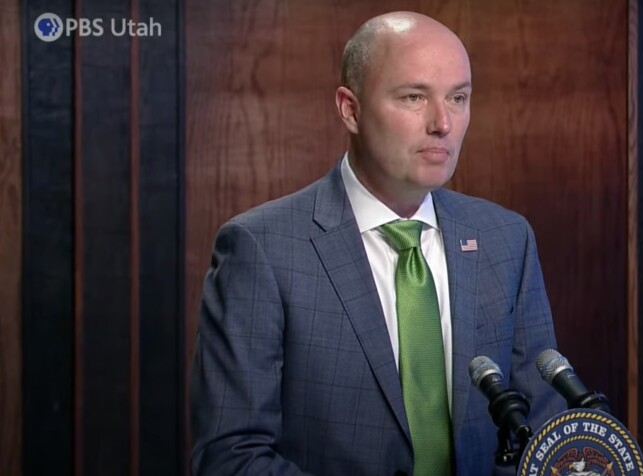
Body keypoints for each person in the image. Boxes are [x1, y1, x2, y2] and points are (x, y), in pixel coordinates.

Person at [190, 11, 565, 475]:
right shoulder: (261, 248)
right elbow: (230, 457)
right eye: (414, 97)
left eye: (458, 97)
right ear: (350, 109)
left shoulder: (505, 239)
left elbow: (546, 427)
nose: (443, 123)